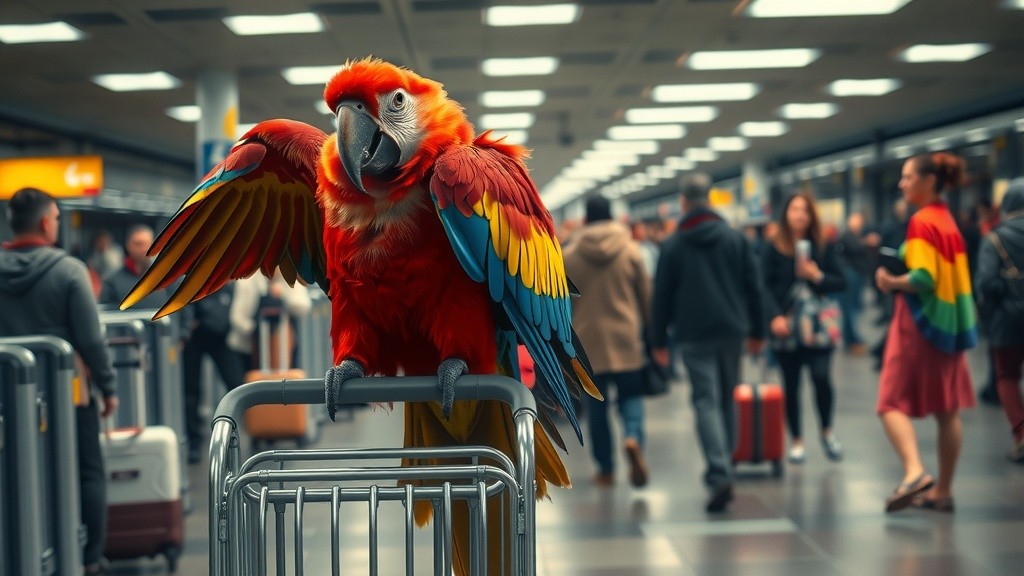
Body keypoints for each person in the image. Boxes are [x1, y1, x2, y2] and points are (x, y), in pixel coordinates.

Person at [0, 188, 118, 575]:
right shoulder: (70, 271)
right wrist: (108, 386)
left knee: (14, 472)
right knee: (86, 470)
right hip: (69, 395)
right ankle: (90, 558)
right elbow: (89, 339)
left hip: (7, 398)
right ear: (48, 223)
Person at [651, 174, 766, 513]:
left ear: (683, 202)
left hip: (693, 332)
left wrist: (658, 340)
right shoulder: (735, 239)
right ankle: (725, 465)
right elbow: (754, 288)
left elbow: (661, 297)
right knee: (727, 396)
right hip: (733, 330)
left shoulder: (673, 245)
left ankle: (719, 471)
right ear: (710, 200)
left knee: (705, 400)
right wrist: (758, 331)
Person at [875, 152, 977, 513]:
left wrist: (890, 281)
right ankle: (942, 491)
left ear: (929, 180)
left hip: (920, 325)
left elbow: (923, 278)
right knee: (947, 410)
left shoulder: (921, 222)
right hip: (951, 327)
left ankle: (915, 472)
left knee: (889, 402)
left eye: (907, 177)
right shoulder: (948, 220)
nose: (902, 184)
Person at [563, 196, 652, 488]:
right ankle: (632, 436)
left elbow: (562, 304)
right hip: (625, 338)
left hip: (588, 345)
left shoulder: (569, 255)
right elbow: (646, 297)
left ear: (585, 220)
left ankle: (606, 468)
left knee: (596, 408)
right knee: (631, 397)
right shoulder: (631, 250)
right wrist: (651, 333)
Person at [762, 192, 846, 464]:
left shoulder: (824, 245)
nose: (799, 215)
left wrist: (817, 276)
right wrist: (773, 316)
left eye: (805, 210)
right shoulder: (773, 247)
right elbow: (763, 287)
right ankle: (797, 439)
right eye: (794, 209)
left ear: (812, 215)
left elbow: (841, 281)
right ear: (785, 214)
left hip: (818, 327)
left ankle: (827, 430)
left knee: (822, 377)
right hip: (786, 325)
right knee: (791, 383)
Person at [975, 178, 1024, 462]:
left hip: (1006, 321)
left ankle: (1021, 435)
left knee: (1006, 376)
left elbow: (986, 283)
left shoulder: (994, 238)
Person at [182, 282, 242, 463]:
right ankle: (195, 441)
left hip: (218, 334)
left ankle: (230, 434)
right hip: (195, 336)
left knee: (235, 383)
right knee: (191, 390)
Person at [229, 272, 312, 372]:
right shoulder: (248, 277)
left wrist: (282, 295)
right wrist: (257, 331)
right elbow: (237, 318)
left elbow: (303, 305)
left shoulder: (290, 272)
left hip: (285, 348)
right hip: (248, 349)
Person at [836, 212, 879, 355]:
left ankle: (852, 339)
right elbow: (856, 248)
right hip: (850, 277)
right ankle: (851, 340)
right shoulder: (847, 235)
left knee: (854, 309)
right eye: (856, 221)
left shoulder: (855, 236)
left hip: (857, 276)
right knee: (849, 311)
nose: (858, 224)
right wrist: (867, 241)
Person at [98, 224, 169, 309]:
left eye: (148, 244)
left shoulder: (168, 277)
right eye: (138, 244)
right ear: (128, 246)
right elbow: (108, 316)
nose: (144, 249)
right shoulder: (112, 281)